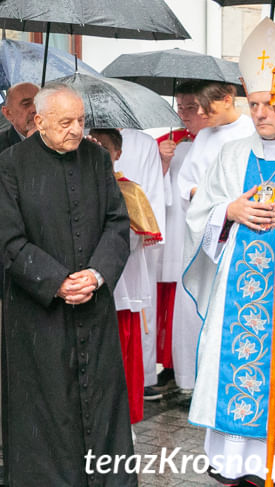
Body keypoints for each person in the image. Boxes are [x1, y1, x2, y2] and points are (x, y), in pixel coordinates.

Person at [182, 17, 275, 486]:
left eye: (269, 105)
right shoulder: (232, 155)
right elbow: (201, 216)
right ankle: (240, 463)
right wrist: (228, 211)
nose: (259, 114)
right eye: (253, 104)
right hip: (236, 300)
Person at [0, 83, 132, 486]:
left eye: (81, 121)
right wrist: (56, 281)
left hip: (93, 302)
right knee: (45, 408)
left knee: (101, 402)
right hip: (39, 313)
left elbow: (116, 224)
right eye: (65, 122)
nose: (76, 130)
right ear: (39, 122)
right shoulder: (10, 166)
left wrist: (96, 274)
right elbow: (10, 240)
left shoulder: (97, 159)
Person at [0, 81, 38, 487]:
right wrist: (32, 148)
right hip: (10, 274)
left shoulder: (66, 146)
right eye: (25, 104)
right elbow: (4, 198)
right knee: (2, 369)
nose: (34, 110)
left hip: (53, 279)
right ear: (8, 114)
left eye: (39, 102)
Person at [90, 128, 161, 426]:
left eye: (104, 147)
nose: (99, 153)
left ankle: (121, 420)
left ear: (118, 153)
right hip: (88, 290)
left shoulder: (130, 191)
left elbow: (131, 240)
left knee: (120, 358)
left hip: (122, 289)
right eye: (92, 146)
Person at [156, 83, 211, 392]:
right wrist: (162, 162)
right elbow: (154, 189)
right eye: (181, 107)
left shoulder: (220, 142)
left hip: (201, 233)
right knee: (171, 304)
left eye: (191, 107)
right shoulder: (170, 143)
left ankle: (196, 371)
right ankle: (172, 364)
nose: (185, 114)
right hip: (173, 230)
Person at [113, 128, 165, 400]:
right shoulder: (82, 133)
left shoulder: (143, 142)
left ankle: (142, 377)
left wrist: (149, 236)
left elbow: (153, 192)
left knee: (139, 312)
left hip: (137, 242)